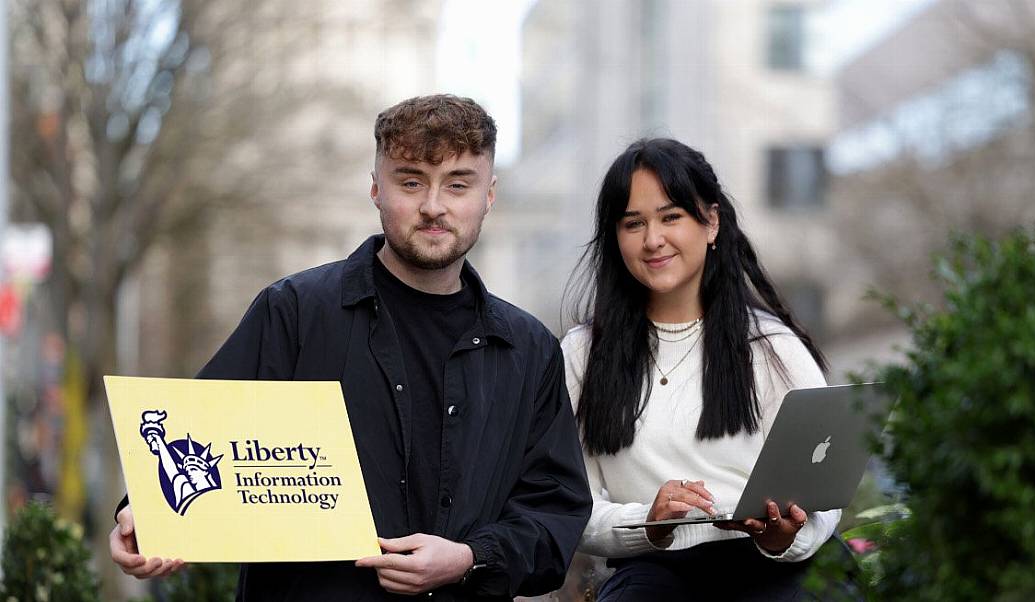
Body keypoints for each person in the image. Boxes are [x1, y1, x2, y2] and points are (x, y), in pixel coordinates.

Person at [109, 94, 592, 601]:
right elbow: (196, 436)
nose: (433, 206)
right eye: (410, 181)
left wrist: (470, 559)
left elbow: (554, 517)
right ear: (375, 189)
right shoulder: (294, 311)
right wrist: (144, 514)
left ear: (489, 195)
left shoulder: (529, 350)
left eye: (457, 184)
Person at [561, 138, 842, 600]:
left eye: (671, 217)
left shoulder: (771, 345)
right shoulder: (581, 354)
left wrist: (785, 538)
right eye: (633, 223)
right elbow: (573, 504)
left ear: (711, 222)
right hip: (652, 573)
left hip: (773, 571)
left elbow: (825, 492)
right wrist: (647, 524)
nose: (653, 240)